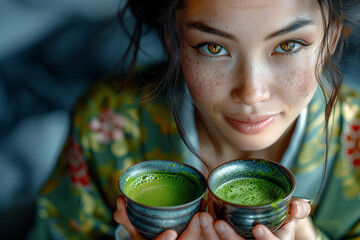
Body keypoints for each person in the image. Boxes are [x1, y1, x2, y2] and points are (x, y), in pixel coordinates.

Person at [30, 0, 360, 239]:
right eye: (213, 48)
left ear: (331, 37)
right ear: (172, 38)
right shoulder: (105, 124)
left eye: (289, 45)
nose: (251, 92)